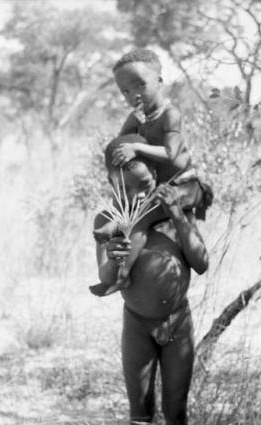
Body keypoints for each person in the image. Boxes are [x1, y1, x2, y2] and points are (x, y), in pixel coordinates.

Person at [93, 135, 209, 425]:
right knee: (140, 413)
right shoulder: (109, 219)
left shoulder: (177, 209)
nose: (138, 195)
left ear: (156, 174)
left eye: (144, 185)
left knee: (176, 410)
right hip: (137, 325)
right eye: (126, 187)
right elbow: (106, 280)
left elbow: (201, 263)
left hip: (178, 322)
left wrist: (177, 215)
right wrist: (112, 259)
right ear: (112, 183)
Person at [90, 48, 211, 297]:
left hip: (186, 186)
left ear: (159, 81)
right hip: (157, 186)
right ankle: (110, 260)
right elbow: (118, 143)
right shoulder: (138, 117)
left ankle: (122, 275)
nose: (133, 94)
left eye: (140, 86)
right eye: (125, 91)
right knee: (129, 201)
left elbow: (171, 153)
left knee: (141, 219)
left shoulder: (170, 115)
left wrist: (137, 147)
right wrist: (125, 140)